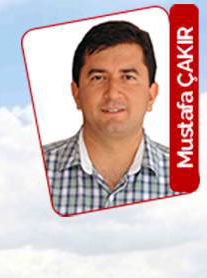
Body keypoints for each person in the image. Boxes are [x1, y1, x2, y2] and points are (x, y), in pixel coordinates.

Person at [41, 20, 173, 215]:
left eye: (128, 77)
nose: (112, 93)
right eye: (98, 78)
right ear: (76, 94)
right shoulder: (34, 170)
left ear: (151, 95)